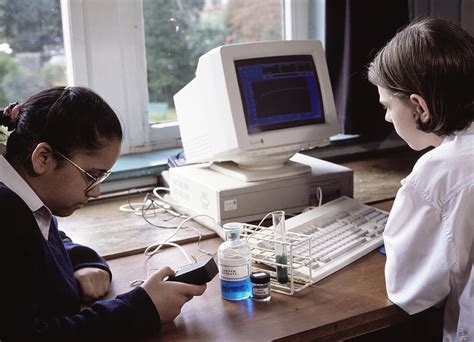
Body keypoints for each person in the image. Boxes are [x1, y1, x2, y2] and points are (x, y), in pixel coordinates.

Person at [0, 86, 206, 341]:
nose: (96, 191)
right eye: (91, 176)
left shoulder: (23, 198)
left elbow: (40, 236)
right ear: (43, 158)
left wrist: (80, 261)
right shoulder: (6, 213)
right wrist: (143, 308)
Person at [368, 17, 473, 341]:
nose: (386, 116)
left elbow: (409, 291)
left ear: (419, 107)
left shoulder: (441, 171)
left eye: (388, 105)